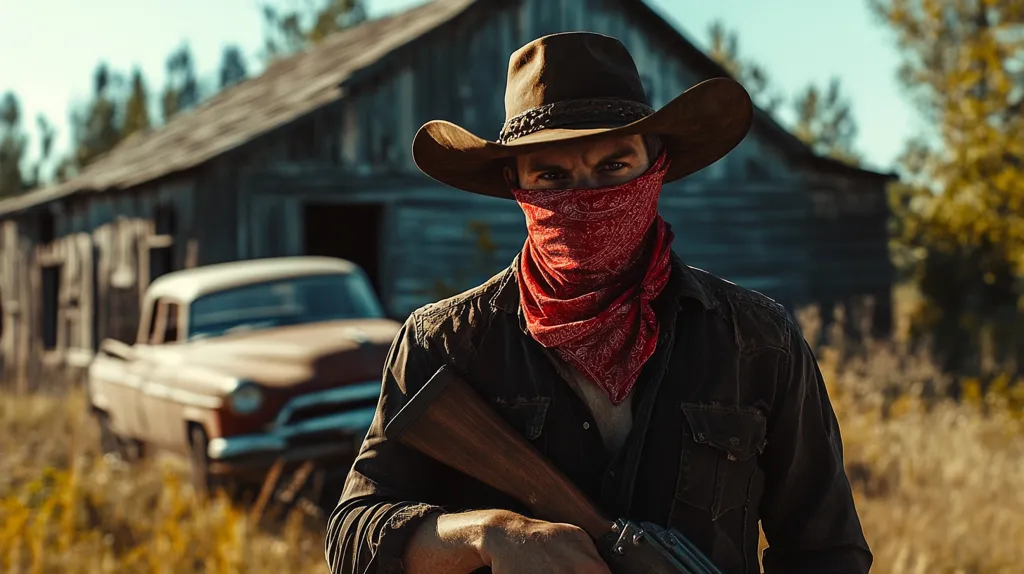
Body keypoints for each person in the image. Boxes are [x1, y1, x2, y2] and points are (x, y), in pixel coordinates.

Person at [325, 32, 872, 574]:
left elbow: (827, 551)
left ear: (655, 167)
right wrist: (488, 534)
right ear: (517, 184)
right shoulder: (443, 342)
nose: (586, 195)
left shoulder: (757, 340)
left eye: (614, 167)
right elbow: (354, 538)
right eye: (552, 175)